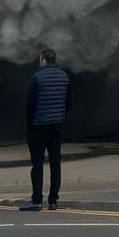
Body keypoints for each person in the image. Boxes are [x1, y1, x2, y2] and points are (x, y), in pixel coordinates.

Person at [20, 46, 71, 212]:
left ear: (43, 60)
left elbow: (30, 105)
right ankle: (53, 201)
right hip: (57, 126)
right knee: (55, 163)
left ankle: (36, 200)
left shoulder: (37, 77)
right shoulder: (64, 77)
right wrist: (60, 117)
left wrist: (29, 127)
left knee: (37, 164)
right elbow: (68, 102)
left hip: (38, 126)